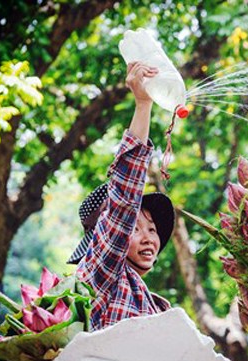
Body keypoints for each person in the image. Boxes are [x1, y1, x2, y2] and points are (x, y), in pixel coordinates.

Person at [67, 62, 175, 331]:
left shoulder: (157, 305)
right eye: (134, 228)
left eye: (151, 228)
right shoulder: (102, 271)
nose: (149, 236)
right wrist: (143, 105)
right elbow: (124, 199)